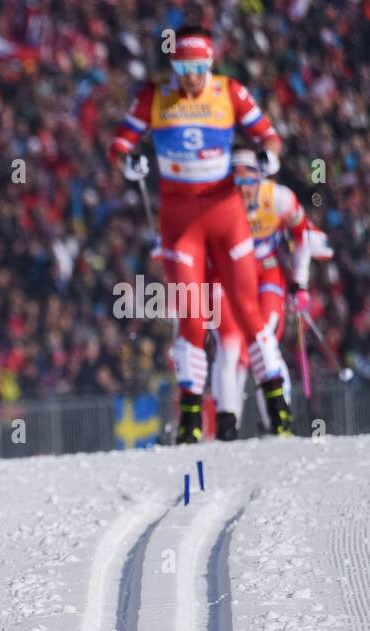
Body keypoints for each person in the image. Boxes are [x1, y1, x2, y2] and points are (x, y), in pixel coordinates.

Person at [109, 25, 293, 442]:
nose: (190, 77)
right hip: (181, 221)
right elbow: (120, 142)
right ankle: (192, 419)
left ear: (209, 62)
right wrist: (128, 161)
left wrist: (269, 156)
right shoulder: (155, 96)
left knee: (248, 310)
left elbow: (269, 134)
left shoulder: (229, 91)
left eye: (197, 66)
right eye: (182, 66)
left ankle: (278, 409)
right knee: (191, 317)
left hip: (226, 214)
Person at [211, 149, 317, 438]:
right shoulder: (217, 202)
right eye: (236, 185)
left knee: (265, 339)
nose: (243, 193)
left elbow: (302, 234)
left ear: (259, 180)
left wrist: (300, 282)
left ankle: (278, 421)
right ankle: (227, 426)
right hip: (229, 278)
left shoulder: (278, 198)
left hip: (266, 274)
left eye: (248, 184)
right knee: (231, 349)